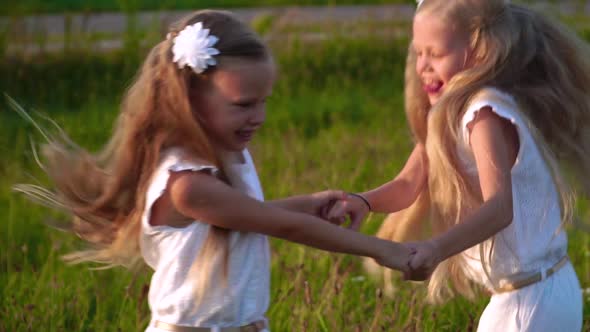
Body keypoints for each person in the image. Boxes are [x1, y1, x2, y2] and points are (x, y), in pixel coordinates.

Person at [12, 10, 413, 332]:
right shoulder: (186, 184)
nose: (258, 116)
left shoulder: (224, 156)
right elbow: (278, 226)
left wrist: (308, 203)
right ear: (187, 100)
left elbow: (243, 218)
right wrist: (383, 249)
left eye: (263, 102)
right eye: (243, 105)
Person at [329, 0, 588, 330]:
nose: (423, 66)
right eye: (418, 53)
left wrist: (436, 249)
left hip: (531, 300)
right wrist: (363, 201)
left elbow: (499, 209)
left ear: (479, 53)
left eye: (435, 55)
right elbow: (408, 183)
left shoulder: (484, 115)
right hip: (533, 293)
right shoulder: (449, 117)